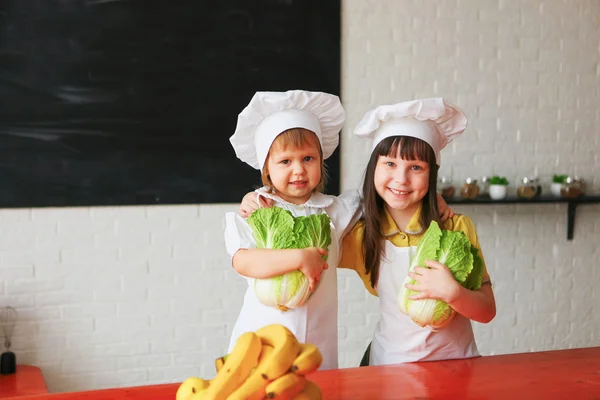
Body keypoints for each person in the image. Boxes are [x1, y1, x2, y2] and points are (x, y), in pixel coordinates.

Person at [341, 97, 496, 366]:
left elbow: (487, 311)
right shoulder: (361, 233)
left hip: (456, 366)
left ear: (431, 175)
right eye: (389, 163)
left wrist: (454, 294)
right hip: (388, 368)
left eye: (416, 167)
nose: (401, 179)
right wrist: (262, 197)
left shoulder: (456, 227)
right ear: (373, 167)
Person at [224, 90, 362, 370]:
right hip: (263, 339)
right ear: (266, 169)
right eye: (285, 161)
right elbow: (242, 261)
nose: (298, 170)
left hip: (318, 343)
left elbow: (381, 198)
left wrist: (438, 198)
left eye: (308, 159)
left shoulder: (335, 210)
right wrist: (300, 257)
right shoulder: (258, 210)